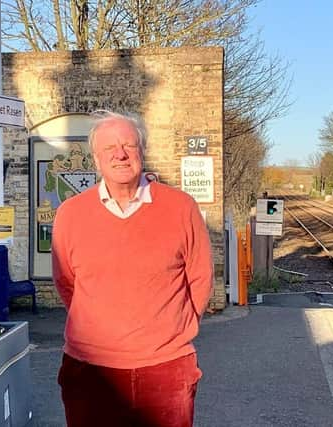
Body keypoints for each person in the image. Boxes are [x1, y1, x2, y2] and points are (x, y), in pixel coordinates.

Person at [52, 110, 213, 427]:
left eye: (128, 145)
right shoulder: (71, 214)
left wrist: (169, 332)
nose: (120, 154)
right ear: (96, 160)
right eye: (109, 148)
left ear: (142, 151)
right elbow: (66, 281)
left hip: (166, 368)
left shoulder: (181, 207)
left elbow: (200, 278)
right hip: (90, 371)